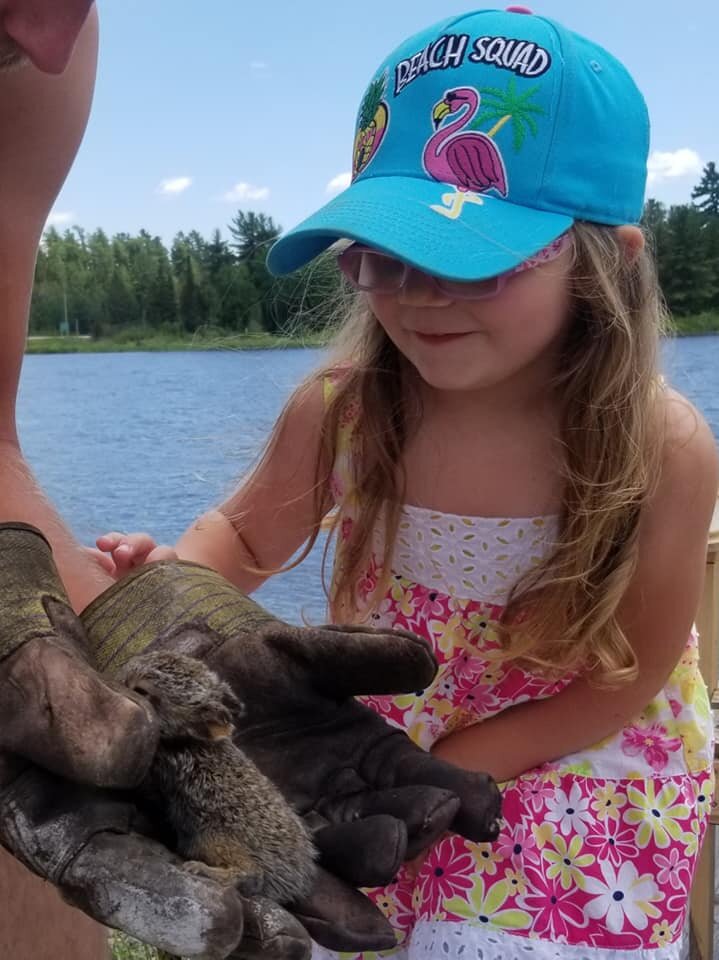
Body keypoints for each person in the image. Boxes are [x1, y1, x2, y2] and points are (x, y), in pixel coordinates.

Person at [102, 6, 719, 959]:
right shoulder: (346, 412)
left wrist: (438, 764)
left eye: (469, 263)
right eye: (378, 257)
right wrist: (171, 581)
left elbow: (623, 681)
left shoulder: (660, 449)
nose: (414, 294)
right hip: (375, 734)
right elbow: (246, 541)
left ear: (605, 261)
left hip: (578, 753)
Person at [0, 5, 502, 959]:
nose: (56, 38)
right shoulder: (345, 408)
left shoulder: (32, 65)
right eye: (378, 260)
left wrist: (131, 610)